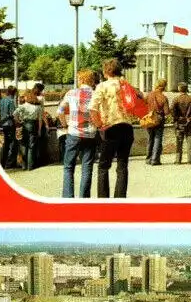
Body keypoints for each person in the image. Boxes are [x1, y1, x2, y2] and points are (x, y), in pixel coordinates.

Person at [88, 58, 135, 198]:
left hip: (110, 128)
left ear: (105, 71)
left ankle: (103, 200)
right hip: (127, 127)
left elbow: (92, 109)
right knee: (122, 165)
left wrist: (99, 126)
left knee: (103, 166)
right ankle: (120, 199)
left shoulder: (102, 86)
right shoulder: (126, 85)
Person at [57, 69, 98, 198]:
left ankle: (68, 198)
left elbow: (60, 111)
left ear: (81, 80)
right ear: (92, 80)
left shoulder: (71, 93)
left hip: (74, 133)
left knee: (68, 167)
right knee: (87, 168)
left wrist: (64, 125)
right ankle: (84, 198)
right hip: (90, 135)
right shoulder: (96, 94)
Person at [171, 83, 191, 164]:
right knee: (190, 140)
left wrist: (177, 117)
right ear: (186, 89)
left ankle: (178, 160)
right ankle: (190, 160)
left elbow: (172, 110)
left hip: (179, 123)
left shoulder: (176, 99)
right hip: (190, 122)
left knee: (179, 141)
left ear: (179, 88)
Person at [13, 91, 42, 171]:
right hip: (33, 126)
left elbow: (14, 113)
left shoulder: (23, 106)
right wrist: (39, 130)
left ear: (27, 97)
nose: (24, 98)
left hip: (24, 125)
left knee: (24, 145)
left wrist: (18, 121)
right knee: (31, 146)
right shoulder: (38, 107)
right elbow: (40, 120)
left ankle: (24, 165)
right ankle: (30, 166)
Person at [144, 78, 169, 166]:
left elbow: (143, 105)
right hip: (159, 120)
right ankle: (155, 159)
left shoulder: (149, 95)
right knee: (157, 139)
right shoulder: (163, 97)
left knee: (150, 138)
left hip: (149, 119)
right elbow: (166, 112)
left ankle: (148, 158)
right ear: (164, 87)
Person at [0, 86, 18, 168]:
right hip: (10, 124)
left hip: (4, 125)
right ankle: (10, 163)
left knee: (6, 143)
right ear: (14, 93)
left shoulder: (2, 100)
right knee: (13, 144)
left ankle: (2, 162)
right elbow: (13, 114)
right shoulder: (11, 101)